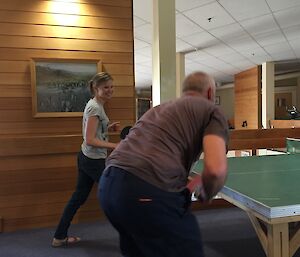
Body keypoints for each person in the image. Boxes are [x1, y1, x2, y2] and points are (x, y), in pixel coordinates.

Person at [98, 71, 229, 257]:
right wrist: (207, 192)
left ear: (185, 92)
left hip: (109, 187)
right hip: (146, 192)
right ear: (209, 93)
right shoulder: (211, 110)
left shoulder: (158, 110)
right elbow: (216, 170)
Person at [52, 72, 119, 247]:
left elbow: (94, 133)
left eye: (112, 86)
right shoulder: (95, 107)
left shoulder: (96, 105)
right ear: (96, 88)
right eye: (106, 87)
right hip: (92, 161)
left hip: (87, 157)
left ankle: (59, 237)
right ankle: (133, 236)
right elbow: (90, 139)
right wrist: (115, 146)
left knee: (78, 197)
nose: (110, 90)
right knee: (118, 194)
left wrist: (108, 128)